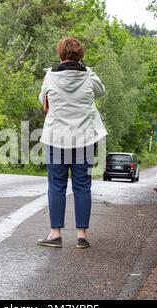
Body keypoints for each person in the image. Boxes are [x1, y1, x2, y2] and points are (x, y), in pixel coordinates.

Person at [37, 37, 107, 249]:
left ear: (60, 54)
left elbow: (42, 100)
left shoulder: (50, 76)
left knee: (56, 186)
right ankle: (81, 235)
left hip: (56, 139)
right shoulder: (89, 76)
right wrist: (87, 70)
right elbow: (101, 91)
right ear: (81, 55)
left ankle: (55, 234)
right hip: (84, 140)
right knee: (83, 186)